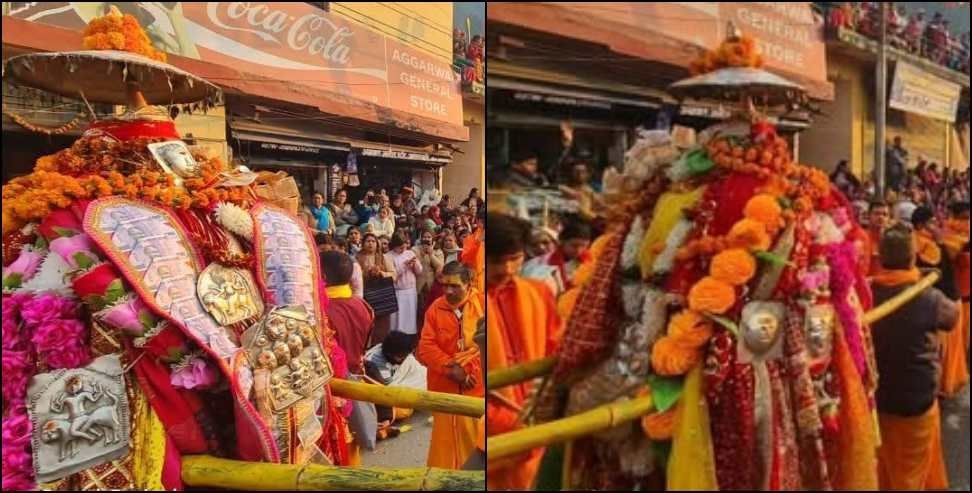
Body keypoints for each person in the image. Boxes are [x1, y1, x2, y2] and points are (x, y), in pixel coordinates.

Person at [870, 223, 957, 490]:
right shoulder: (929, 298)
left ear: (880, 257)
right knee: (911, 473)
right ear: (912, 257)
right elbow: (952, 318)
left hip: (879, 398)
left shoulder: (866, 293)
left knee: (884, 465)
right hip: (917, 398)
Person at [485, 213, 561, 491]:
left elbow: (556, 353)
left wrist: (548, 405)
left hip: (535, 428)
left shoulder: (539, 293)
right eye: (496, 261)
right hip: (491, 435)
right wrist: (507, 422)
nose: (506, 269)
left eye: (514, 258)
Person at [416, 261, 484, 470]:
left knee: (475, 443)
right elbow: (425, 347)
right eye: (445, 285)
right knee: (444, 445)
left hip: (475, 387)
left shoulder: (483, 304)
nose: (448, 291)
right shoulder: (435, 309)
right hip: (444, 387)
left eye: (455, 286)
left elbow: (490, 345)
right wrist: (451, 368)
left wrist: (467, 369)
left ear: (468, 284)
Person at [911, 207, 967, 397]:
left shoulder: (935, 241)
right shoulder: (921, 243)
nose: (936, 225)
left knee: (948, 349)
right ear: (921, 225)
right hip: (941, 303)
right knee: (942, 350)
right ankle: (942, 385)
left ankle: (945, 384)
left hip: (946, 299)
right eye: (932, 222)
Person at [364, 330, 427, 438]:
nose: (405, 358)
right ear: (391, 354)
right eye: (402, 356)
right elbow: (386, 390)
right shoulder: (374, 361)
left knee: (426, 376)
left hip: (399, 384)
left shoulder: (403, 356)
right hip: (383, 396)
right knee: (403, 411)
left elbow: (417, 370)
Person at [523, 218, 593, 294]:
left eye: (584, 246)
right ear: (561, 241)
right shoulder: (540, 264)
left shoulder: (591, 263)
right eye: (574, 246)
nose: (578, 250)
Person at [357, 233, 396, 347]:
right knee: (365, 321)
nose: (370, 243)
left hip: (382, 296)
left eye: (373, 241)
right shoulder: (357, 258)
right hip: (365, 295)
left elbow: (394, 275)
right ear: (363, 243)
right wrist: (366, 273)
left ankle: (379, 346)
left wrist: (381, 273)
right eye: (368, 241)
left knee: (382, 325)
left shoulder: (383, 258)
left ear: (377, 244)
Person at [386, 232, 423, 345]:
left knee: (410, 318)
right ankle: (396, 340)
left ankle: (410, 340)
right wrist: (404, 266)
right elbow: (393, 275)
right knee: (397, 319)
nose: (403, 249)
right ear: (394, 246)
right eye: (400, 247)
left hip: (410, 291)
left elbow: (419, 271)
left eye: (404, 246)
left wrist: (415, 264)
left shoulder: (410, 253)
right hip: (397, 291)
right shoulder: (388, 256)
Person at [414, 228, 445, 321]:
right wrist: (422, 254)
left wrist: (431, 254)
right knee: (418, 311)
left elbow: (440, 266)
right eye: (424, 237)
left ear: (433, 238)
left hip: (431, 284)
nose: (426, 239)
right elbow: (414, 264)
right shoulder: (415, 249)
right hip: (418, 284)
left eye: (429, 237)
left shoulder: (438, 251)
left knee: (430, 309)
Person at [866, 200, 892, 275]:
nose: (881, 217)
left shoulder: (893, 240)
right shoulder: (862, 237)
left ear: (889, 218)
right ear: (868, 216)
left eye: (885, 214)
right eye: (876, 214)